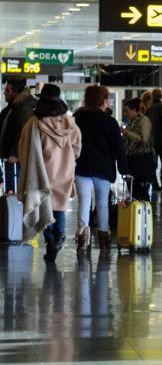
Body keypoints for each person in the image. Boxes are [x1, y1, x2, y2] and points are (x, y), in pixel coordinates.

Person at [17, 84, 81, 262]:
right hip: (65, 171)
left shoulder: (34, 123)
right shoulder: (70, 123)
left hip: (43, 172)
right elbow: (77, 148)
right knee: (59, 206)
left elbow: (24, 148)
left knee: (44, 207)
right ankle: (59, 236)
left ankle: (51, 240)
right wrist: (68, 158)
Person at [73, 85, 125, 252]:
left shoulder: (77, 118)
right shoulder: (110, 122)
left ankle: (82, 238)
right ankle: (103, 238)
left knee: (84, 203)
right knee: (102, 204)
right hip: (103, 168)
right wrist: (124, 168)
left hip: (82, 167)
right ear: (104, 101)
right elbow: (118, 148)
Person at [0, 79, 33, 191]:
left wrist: (15, 152)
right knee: (9, 188)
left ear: (16, 93)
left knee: (12, 189)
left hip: (13, 158)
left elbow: (22, 131)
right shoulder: (12, 108)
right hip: (7, 156)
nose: (4, 93)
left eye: (7, 91)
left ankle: (13, 208)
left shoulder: (23, 109)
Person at [120, 98, 154, 201]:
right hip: (132, 161)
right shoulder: (132, 121)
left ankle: (144, 214)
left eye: (127, 111)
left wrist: (126, 132)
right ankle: (135, 214)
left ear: (135, 110)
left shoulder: (144, 121)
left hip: (141, 161)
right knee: (133, 191)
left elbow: (144, 139)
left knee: (142, 191)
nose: (125, 114)